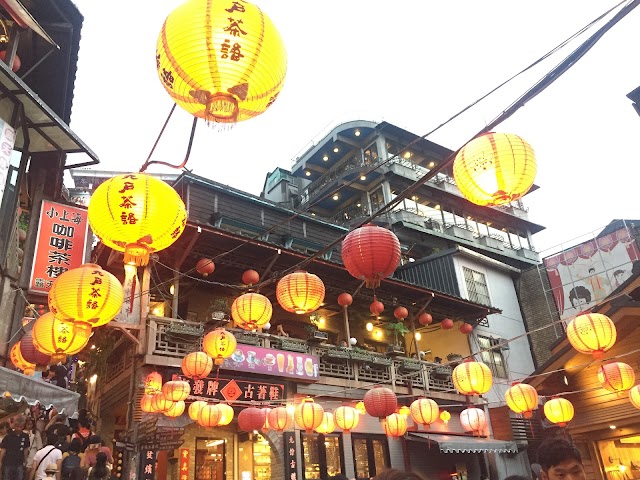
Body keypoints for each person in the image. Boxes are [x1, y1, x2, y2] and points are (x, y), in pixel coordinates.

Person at [0, 415, 30, 480]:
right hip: (8, 462)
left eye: (21, 426)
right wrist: (0, 461)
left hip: (19, 462)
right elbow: (3, 450)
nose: (19, 428)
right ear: (14, 425)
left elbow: (26, 449)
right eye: (17, 426)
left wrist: (25, 460)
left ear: (23, 426)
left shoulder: (25, 436)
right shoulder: (8, 436)